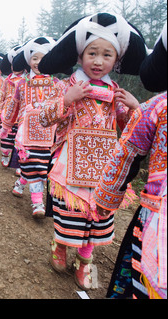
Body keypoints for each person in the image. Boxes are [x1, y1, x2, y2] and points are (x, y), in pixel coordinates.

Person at [38, 13, 148, 290]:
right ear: (79, 56)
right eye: (92, 53)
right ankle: (60, 246)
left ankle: (85, 261)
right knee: (70, 212)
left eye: (107, 55)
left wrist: (135, 108)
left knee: (98, 214)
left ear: (117, 60)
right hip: (70, 162)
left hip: (102, 165)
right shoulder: (68, 86)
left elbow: (126, 126)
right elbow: (43, 119)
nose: (98, 61)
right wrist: (66, 100)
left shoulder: (115, 92)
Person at [94, 22, 167, 299]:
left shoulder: (158, 107)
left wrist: (106, 199)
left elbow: (127, 155)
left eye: (106, 55)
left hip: (158, 218)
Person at [1, 37, 60, 219]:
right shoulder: (22, 84)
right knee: (34, 165)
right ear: (28, 60)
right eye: (35, 58)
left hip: (50, 135)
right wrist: (6, 126)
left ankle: (21, 182)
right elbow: (13, 106)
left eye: (44, 58)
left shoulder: (57, 84)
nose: (38, 62)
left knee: (41, 166)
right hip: (25, 134)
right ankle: (37, 202)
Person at [0, 45, 25, 168]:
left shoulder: (26, 80)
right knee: (6, 136)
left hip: (21, 113)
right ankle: (5, 153)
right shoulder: (6, 80)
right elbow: (1, 94)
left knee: (19, 137)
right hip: (8, 112)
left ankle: (19, 163)